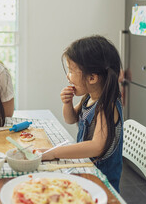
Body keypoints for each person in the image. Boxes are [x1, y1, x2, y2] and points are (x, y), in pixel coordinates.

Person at [42, 35, 123, 192]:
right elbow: (71, 119)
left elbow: (97, 146)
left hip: (102, 183)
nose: (68, 76)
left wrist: (54, 153)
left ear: (92, 78)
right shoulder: (89, 97)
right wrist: (67, 103)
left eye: (72, 71)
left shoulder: (106, 106)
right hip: (86, 170)